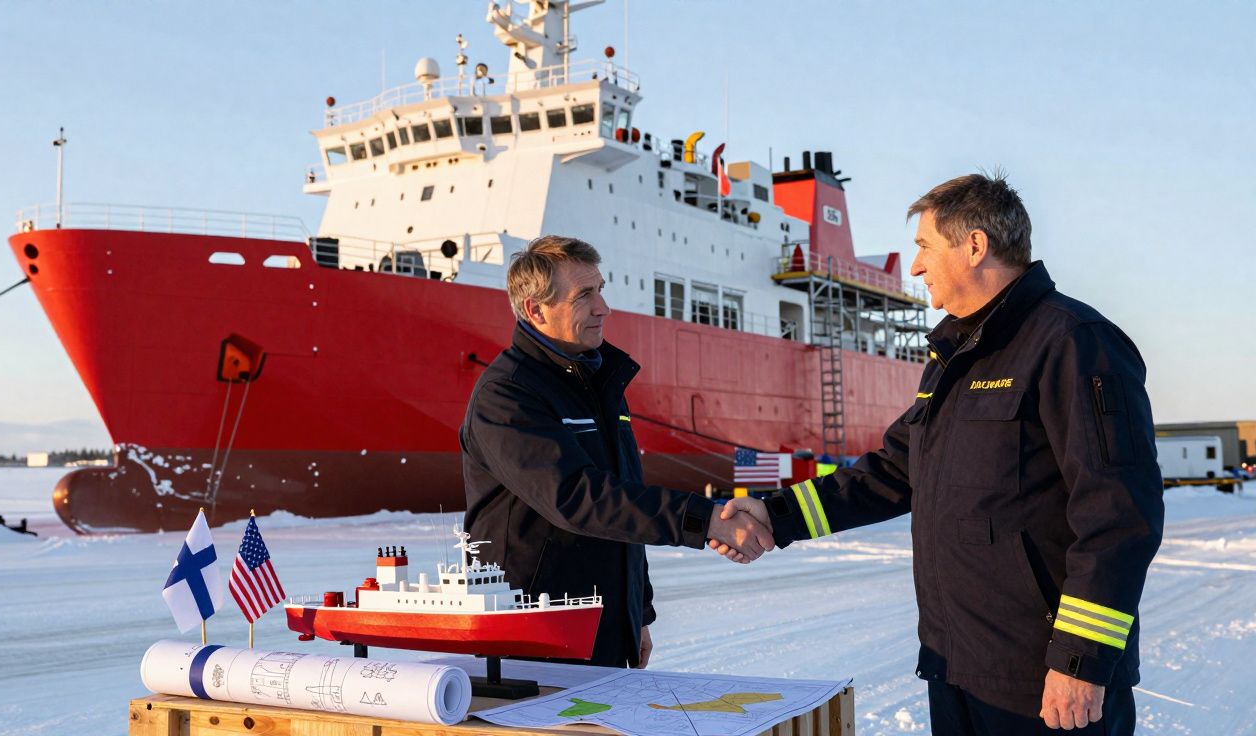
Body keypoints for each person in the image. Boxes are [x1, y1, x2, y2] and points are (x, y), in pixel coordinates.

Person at [714, 174, 1163, 734]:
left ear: (975, 246)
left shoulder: (1074, 342)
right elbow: (894, 472)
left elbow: (1119, 518)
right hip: (957, 667)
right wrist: (774, 515)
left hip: (1043, 679)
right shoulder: (953, 356)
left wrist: (1079, 661)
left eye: (925, 246)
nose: (916, 266)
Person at [461, 235, 774, 669]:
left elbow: (625, 499)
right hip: (532, 637)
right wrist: (705, 523)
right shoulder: (508, 394)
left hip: (601, 626)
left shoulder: (597, 383)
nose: (603, 307)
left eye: (601, 289)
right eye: (584, 295)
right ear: (536, 310)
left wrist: (637, 613)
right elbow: (579, 498)